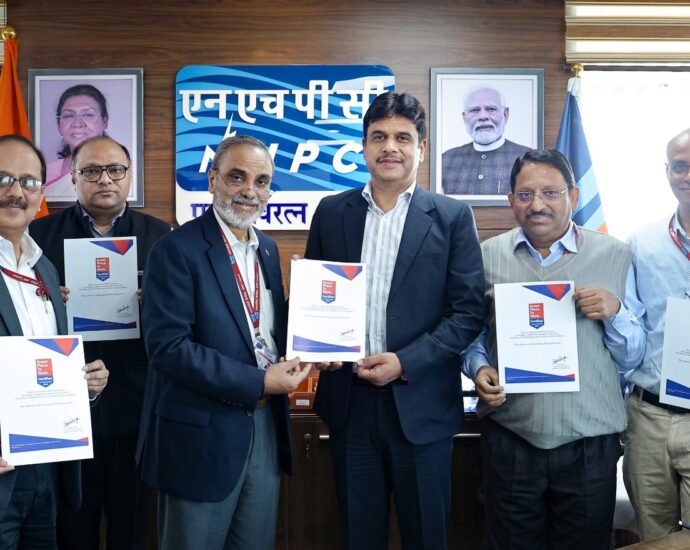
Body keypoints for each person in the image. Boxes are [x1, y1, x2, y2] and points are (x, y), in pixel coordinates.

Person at [304, 91, 485, 550]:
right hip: (350, 404)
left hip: (422, 405)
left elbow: (467, 314)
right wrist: (318, 346)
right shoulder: (331, 211)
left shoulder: (452, 217)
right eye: (379, 136)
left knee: (426, 537)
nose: (390, 147)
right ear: (363, 146)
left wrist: (405, 362)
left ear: (421, 148)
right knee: (358, 537)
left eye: (402, 137)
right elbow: (316, 299)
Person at [462, 148, 645, 550]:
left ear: (573, 197)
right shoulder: (486, 256)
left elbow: (632, 356)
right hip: (512, 436)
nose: (538, 205)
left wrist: (614, 313)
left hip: (589, 443)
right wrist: (478, 367)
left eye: (551, 193)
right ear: (511, 200)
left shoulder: (615, 255)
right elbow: (472, 333)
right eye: (525, 195)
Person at [137, 135, 311, 550]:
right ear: (213, 179)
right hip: (200, 438)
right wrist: (260, 382)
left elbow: (264, 333)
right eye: (237, 177)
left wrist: (318, 346)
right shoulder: (175, 249)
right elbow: (169, 349)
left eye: (261, 181)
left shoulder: (267, 250)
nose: (250, 191)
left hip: (264, 429)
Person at [30, 135, 170, 549]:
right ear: (73, 178)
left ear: (130, 176)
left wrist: (156, 305)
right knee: (73, 529)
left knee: (132, 530)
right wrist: (49, 301)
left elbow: (181, 322)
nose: (104, 179)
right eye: (91, 171)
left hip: (138, 406)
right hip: (64, 407)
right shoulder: (38, 236)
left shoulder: (161, 237)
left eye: (115, 170)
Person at [0, 134, 109, 549]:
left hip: (46, 468)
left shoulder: (43, 268)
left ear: (41, 193)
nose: (16, 191)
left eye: (28, 181)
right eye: (3, 178)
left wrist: (85, 387)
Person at [622, 128, 690, 540]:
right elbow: (629, 332)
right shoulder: (641, 242)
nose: (688, 176)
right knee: (654, 538)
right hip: (650, 417)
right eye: (679, 166)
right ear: (667, 173)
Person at [442, 86, 530, 196]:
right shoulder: (446, 160)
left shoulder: (528, 158)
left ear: (505, 114)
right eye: (474, 110)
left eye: (491, 109)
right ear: (464, 118)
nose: (483, 116)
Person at [45, 84, 108, 200]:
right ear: (59, 126)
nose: (77, 123)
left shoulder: (122, 169)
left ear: (104, 122)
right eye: (69, 116)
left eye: (88, 115)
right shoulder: (45, 173)